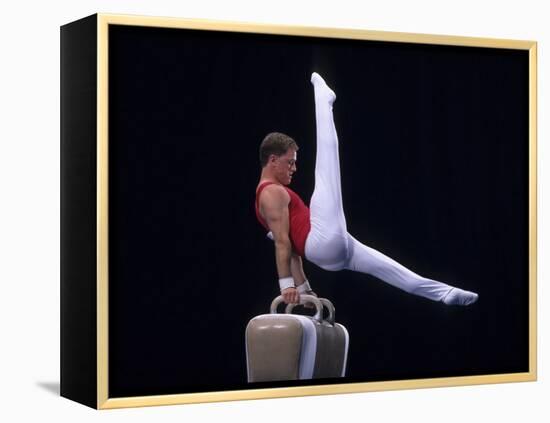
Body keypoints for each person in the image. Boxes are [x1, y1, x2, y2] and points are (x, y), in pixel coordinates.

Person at [255, 72, 479, 307]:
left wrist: (304, 290)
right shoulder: (272, 193)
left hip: (333, 250)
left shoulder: (268, 199)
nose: (294, 168)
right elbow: (283, 244)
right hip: (322, 239)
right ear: (272, 160)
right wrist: (286, 285)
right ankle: (322, 99)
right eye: (290, 162)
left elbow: (291, 251)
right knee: (325, 169)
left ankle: (444, 294)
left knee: (392, 270)